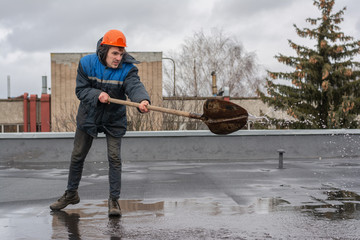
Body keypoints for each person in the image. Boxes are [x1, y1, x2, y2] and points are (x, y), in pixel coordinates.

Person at [50, 29, 150, 217]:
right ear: (104, 50)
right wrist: (97, 95)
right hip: (89, 116)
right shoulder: (86, 64)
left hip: (114, 119)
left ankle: (114, 200)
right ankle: (71, 194)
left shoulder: (128, 69)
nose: (118, 58)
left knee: (114, 158)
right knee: (77, 155)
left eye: (121, 54)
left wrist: (142, 100)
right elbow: (81, 90)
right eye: (114, 53)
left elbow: (135, 86)